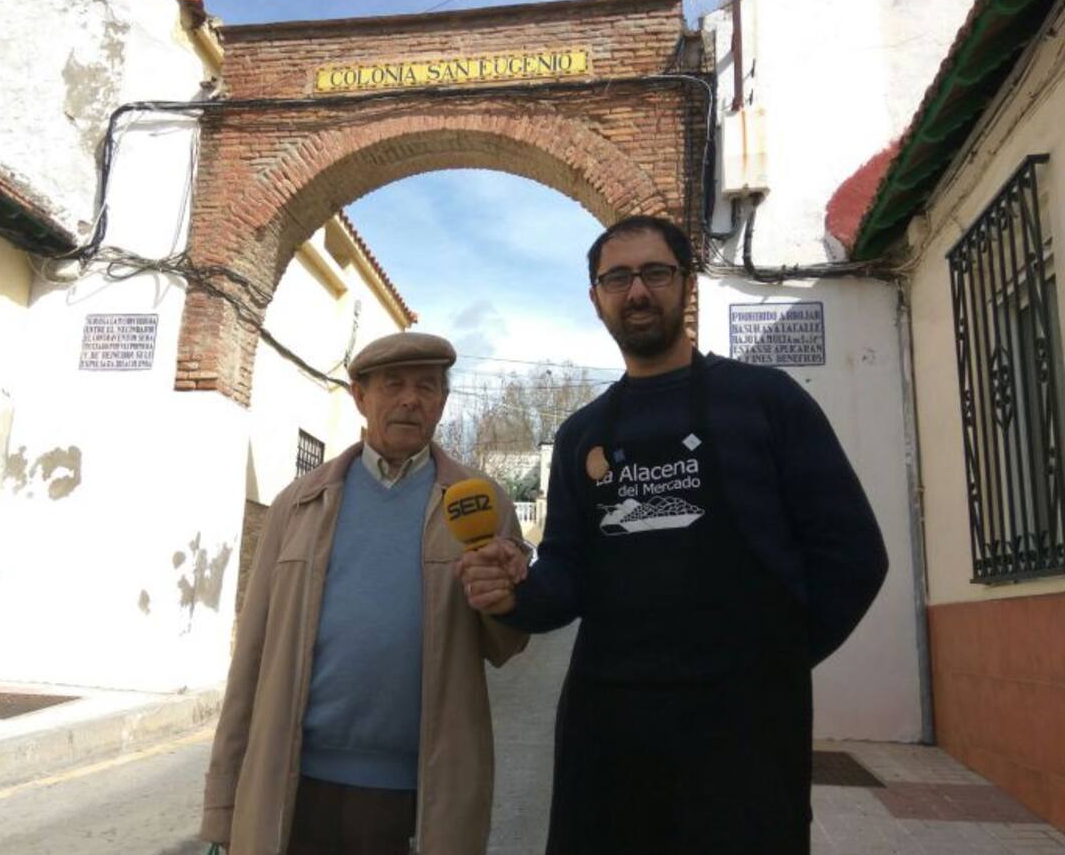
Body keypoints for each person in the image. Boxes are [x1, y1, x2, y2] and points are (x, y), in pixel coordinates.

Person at [457, 216, 888, 854]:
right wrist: (513, 594)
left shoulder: (767, 402)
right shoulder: (581, 435)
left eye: (655, 273)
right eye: (618, 278)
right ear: (596, 297)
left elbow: (853, 555)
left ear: (685, 284)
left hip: (744, 738)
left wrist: (776, 666)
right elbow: (567, 577)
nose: (637, 292)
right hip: (608, 736)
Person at [201, 331, 527, 855]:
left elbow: (506, 645)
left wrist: (505, 601)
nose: (410, 400)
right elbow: (251, 661)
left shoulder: (482, 502)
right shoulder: (298, 504)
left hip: (419, 794)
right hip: (296, 787)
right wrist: (222, 810)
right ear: (359, 396)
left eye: (426, 387)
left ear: (443, 402)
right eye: (392, 385)